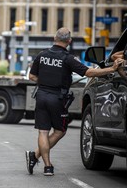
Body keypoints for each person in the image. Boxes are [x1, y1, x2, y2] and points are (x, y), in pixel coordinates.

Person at [25, 27, 124, 176]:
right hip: (57, 98)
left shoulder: (42, 55)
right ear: (69, 41)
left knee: (43, 132)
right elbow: (89, 72)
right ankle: (38, 159)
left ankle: (46, 166)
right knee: (59, 131)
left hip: (41, 96)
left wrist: (46, 82)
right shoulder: (68, 58)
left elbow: (32, 77)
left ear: (54, 38)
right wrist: (112, 69)